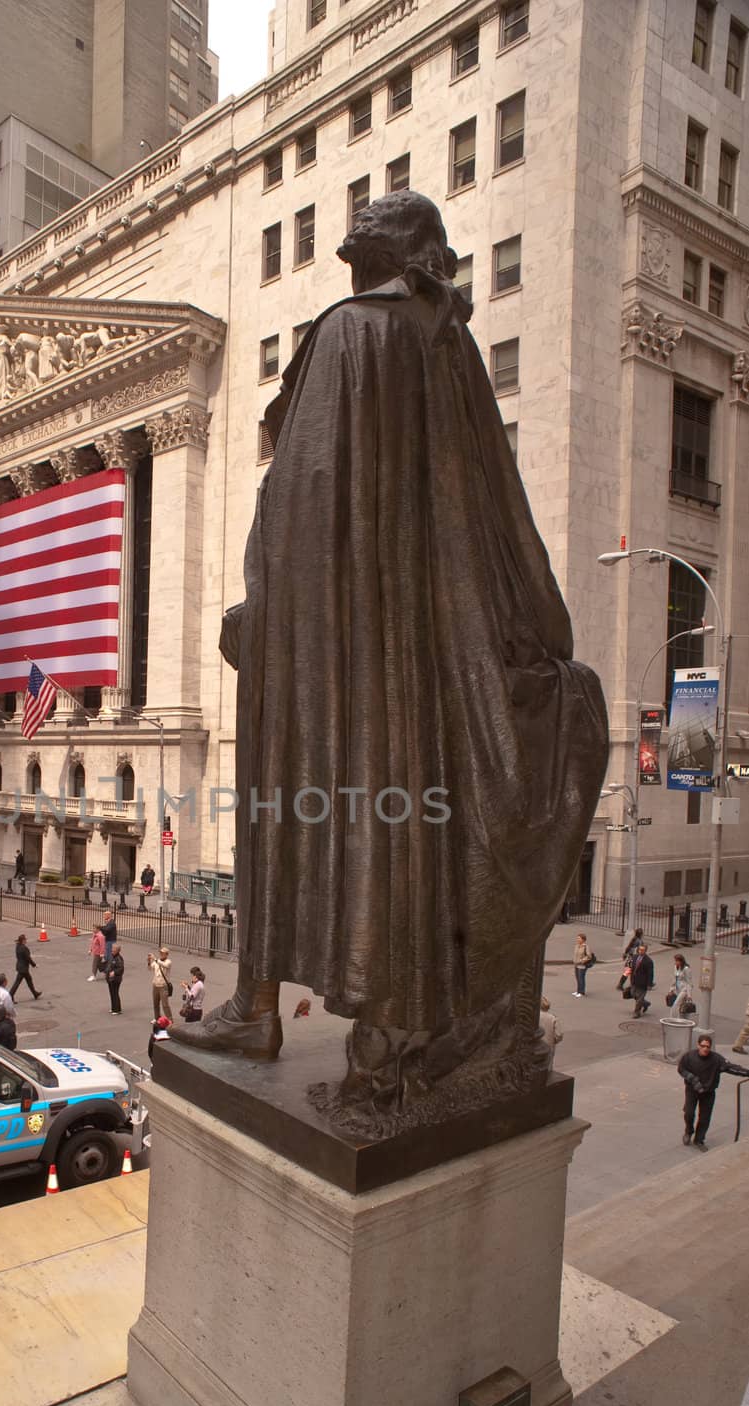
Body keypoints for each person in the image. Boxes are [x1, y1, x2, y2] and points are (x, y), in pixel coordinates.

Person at [171, 189, 607, 1098]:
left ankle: (283, 1014)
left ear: (395, 252)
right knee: (339, 818)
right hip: (408, 641)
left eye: (372, 224)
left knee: (295, 813)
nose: (355, 230)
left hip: (335, 649)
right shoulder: (445, 346)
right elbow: (490, 506)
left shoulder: (355, 334)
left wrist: (270, 613)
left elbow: (309, 491)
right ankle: (298, 1013)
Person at [678, 1032, 729, 1150]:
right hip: (692, 1090)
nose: (705, 1049)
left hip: (708, 1092)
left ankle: (699, 1139)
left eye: (708, 1047)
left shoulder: (716, 1059)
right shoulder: (689, 1056)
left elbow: (731, 1067)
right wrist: (692, 1079)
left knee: (705, 1117)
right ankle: (688, 1131)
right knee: (689, 1113)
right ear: (698, 1045)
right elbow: (681, 1069)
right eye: (703, 1046)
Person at [9, 932, 40, 1000]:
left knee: (28, 980)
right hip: (24, 968)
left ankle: (35, 993)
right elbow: (28, 958)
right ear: (23, 940)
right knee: (18, 982)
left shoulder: (17, 947)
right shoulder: (24, 948)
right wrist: (34, 965)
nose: (26, 941)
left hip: (20, 966)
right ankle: (11, 994)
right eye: (25, 940)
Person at [630, 941, 654, 1018]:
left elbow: (650, 973)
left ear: (645, 951)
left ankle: (637, 1012)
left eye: (643, 950)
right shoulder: (635, 957)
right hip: (634, 980)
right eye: (640, 950)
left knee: (639, 998)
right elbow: (632, 968)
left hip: (643, 982)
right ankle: (645, 1003)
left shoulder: (648, 961)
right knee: (633, 994)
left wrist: (649, 984)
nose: (641, 951)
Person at [147, 946, 172, 1019]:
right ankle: (157, 1018)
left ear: (167, 954)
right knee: (155, 1003)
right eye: (160, 953)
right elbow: (150, 969)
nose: (161, 954)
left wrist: (154, 959)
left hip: (163, 986)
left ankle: (170, 1019)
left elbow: (164, 965)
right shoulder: (156, 962)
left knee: (165, 1004)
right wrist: (149, 962)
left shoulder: (168, 962)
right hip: (155, 985)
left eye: (163, 953)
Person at [667, 953, 693, 1018]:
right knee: (682, 1005)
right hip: (677, 989)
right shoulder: (676, 967)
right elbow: (674, 979)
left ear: (681, 961)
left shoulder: (686, 969)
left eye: (677, 961)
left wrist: (689, 995)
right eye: (675, 961)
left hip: (684, 989)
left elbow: (689, 982)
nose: (675, 962)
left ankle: (672, 1018)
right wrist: (671, 990)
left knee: (676, 1004)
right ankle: (684, 1018)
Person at [618, 929, 643, 994]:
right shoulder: (639, 941)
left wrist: (625, 954)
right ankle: (630, 986)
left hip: (631, 958)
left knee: (629, 972)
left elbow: (628, 947)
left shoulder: (634, 939)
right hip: (634, 958)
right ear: (641, 934)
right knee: (633, 973)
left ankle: (621, 984)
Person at [106, 944, 125, 1014]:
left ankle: (117, 1009)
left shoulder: (119, 958)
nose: (112, 951)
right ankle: (113, 1008)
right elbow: (109, 965)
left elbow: (121, 969)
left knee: (115, 993)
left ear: (117, 951)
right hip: (110, 979)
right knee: (112, 993)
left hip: (116, 979)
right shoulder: (113, 957)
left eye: (114, 950)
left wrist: (114, 972)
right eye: (112, 950)